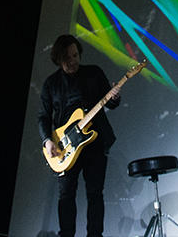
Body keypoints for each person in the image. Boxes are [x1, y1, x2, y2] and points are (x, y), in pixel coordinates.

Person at [38, 34, 120, 237]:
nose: (73, 61)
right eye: (67, 58)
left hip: (94, 142)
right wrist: (47, 141)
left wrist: (115, 97)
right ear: (58, 59)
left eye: (75, 56)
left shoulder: (93, 73)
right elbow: (43, 116)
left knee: (95, 194)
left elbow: (109, 102)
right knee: (65, 195)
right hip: (65, 146)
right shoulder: (51, 84)